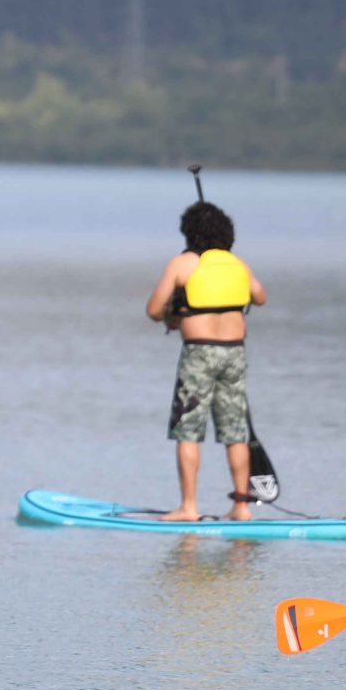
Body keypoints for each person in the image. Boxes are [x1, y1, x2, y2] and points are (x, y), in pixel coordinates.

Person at [144, 198, 266, 521]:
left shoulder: (182, 264)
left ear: (189, 234)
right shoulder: (237, 265)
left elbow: (153, 310)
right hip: (235, 353)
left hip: (199, 354)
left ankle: (188, 506)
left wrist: (173, 312)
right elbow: (260, 297)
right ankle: (241, 507)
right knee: (235, 431)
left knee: (187, 430)